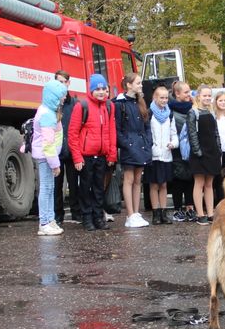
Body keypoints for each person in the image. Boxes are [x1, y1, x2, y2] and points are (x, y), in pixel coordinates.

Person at [68, 74, 117, 232]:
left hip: (102, 155)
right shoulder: (82, 106)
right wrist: (77, 156)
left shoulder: (109, 106)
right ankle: (87, 217)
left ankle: (98, 217)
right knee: (85, 187)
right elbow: (73, 133)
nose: (101, 92)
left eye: (104, 88)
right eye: (98, 89)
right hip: (86, 156)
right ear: (91, 90)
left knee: (99, 188)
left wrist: (111, 154)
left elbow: (111, 131)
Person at [29, 80, 69, 236]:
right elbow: (48, 144)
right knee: (46, 189)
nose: (64, 98)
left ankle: (49, 219)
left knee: (49, 188)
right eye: (62, 95)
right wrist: (55, 164)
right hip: (46, 158)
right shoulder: (47, 115)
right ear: (54, 97)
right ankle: (44, 222)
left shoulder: (47, 111)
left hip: (47, 157)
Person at [114, 73, 152, 229]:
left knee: (138, 180)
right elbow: (117, 129)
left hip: (141, 145)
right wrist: (127, 144)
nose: (141, 85)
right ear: (129, 85)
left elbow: (146, 126)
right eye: (138, 83)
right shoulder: (119, 103)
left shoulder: (140, 102)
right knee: (129, 180)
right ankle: (129, 214)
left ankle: (136, 213)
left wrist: (148, 142)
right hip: (130, 146)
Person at [187, 84, 222, 225]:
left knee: (209, 184)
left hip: (212, 151)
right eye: (205, 95)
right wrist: (197, 151)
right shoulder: (193, 112)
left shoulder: (212, 112)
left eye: (209, 95)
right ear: (199, 96)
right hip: (199, 153)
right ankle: (200, 214)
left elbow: (215, 133)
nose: (207, 98)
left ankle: (210, 213)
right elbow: (192, 134)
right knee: (199, 183)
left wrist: (218, 148)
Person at [147, 86, 178, 224]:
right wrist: (151, 146)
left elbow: (174, 133)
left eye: (166, 98)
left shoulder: (170, 115)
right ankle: (156, 212)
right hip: (154, 154)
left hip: (166, 154)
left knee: (164, 184)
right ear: (155, 98)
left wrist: (173, 143)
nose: (164, 100)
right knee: (154, 184)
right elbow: (147, 133)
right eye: (161, 97)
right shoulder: (149, 114)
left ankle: (164, 212)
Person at [54, 70, 81, 225]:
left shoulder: (75, 104)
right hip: (57, 151)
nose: (62, 85)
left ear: (68, 83)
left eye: (64, 82)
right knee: (57, 185)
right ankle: (58, 215)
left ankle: (76, 212)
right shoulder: (53, 102)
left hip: (71, 149)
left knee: (73, 183)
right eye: (58, 82)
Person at [168, 82, 197, 222]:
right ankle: (178, 208)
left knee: (190, 178)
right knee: (178, 179)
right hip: (177, 149)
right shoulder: (170, 110)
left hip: (191, 148)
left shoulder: (193, 108)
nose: (189, 94)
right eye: (186, 92)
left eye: (189, 91)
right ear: (177, 94)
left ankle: (190, 207)